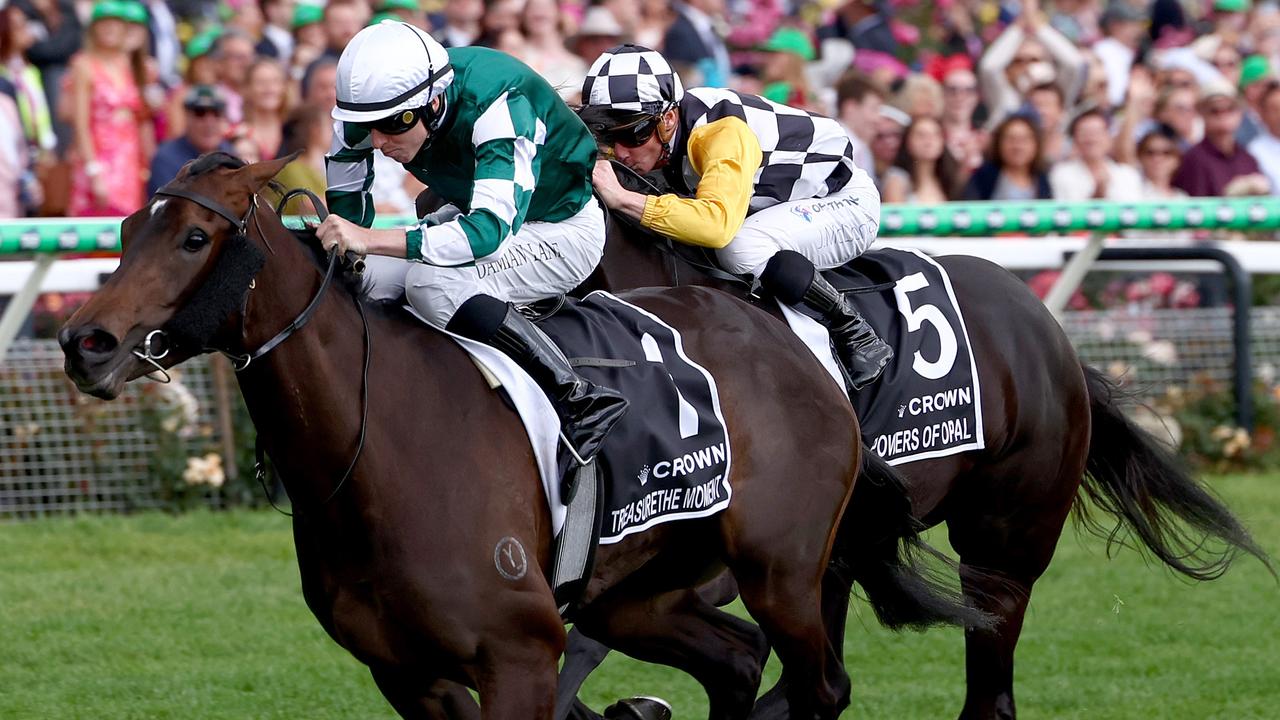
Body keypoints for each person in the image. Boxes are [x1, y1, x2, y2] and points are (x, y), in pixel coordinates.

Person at [318, 20, 627, 466]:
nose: (379, 141)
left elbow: (487, 233)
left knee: (430, 285)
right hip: (478, 213)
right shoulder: (370, 111)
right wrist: (350, 247)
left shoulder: (499, 104)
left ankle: (577, 396)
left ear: (433, 101)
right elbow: (349, 212)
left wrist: (369, 238)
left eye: (391, 126)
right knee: (365, 281)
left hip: (561, 229)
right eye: (367, 127)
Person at [578, 44, 892, 390]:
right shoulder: (664, 135)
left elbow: (716, 226)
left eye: (632, 134)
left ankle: (853, 330)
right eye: (608, 135)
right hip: (773, 205)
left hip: (843, 201)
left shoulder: (721, 132)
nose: (621, 151)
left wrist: (623, 199)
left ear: (668, 119)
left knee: (740, 246)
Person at [66, 0, 148, 217]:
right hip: (99, 156)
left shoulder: (127, 64)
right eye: (103, 23)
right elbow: (81, 123)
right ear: (93, 28)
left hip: (128, 159)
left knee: (127, 224)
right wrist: (93, 171)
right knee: (95, 223)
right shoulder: (83, 65)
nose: (110, 28)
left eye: (116, 23)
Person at [147, 84, 232, 195]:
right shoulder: (166, 158)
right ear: (187, 117)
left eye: (216, 114)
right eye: (200, 113)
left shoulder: (231, 154)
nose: (209, 123)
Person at [1048, 107, 1142, 201]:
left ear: (1108, 138)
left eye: (1097, 132)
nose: (1091, 139)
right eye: (1085, 133)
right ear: (1075, 140)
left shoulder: (1128, 175)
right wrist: (1096, 197)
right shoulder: (1061, 174)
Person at [962, 113, 1053, 200]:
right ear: (999, 143)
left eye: (1024, 140)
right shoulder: (983, 177)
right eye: (1011, 139)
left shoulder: (1043, 179)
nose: (1018, 146)